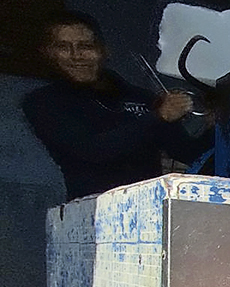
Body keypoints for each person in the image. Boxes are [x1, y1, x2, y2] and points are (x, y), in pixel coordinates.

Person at [22, 11, 212, 202]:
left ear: (104, 51)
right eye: (63, 47)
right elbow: (91, 151)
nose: (76, 56)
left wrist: (214, 124)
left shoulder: (142, 98)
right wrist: (158, 117)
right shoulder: (43, 102)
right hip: (91, 212)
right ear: (47, 53)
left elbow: (188, 153)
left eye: (86, 46)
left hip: (150, 208)